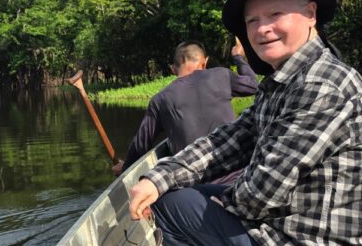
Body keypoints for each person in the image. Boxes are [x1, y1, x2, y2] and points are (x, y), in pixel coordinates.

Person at [128, 0, 362, 246]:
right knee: (173, 194)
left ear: (310, 14)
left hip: (321, 242)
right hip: (293, 222)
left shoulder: (322, 84)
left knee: (171, 207)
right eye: (252, 21)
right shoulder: (283, 81)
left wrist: (208, 198)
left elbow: (260, 194)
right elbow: (232, 140)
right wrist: (162, 177)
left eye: (275, 14)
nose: (262, 29)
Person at [111, 39, 258, 180]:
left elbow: (141, 144)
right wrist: (238, 57)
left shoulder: (160, 99)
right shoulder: (221, 75)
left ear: (173, 69)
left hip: (194, 181)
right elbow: (253, 85)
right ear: (204, 63)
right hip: (238, 174)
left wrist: (126, 168)